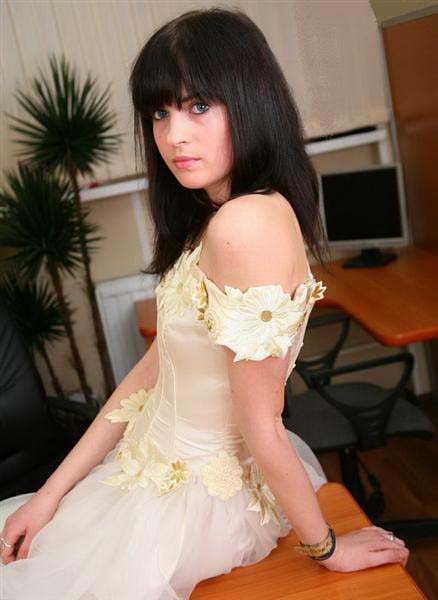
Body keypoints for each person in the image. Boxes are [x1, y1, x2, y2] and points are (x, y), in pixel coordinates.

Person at [0, 7, 409, 599]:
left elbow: (262, 422)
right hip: (144, 475)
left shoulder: (244, 224)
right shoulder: (217, 215)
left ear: (250, 101)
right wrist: (52, 494)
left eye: (198, 106)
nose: (174, 136)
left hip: (186, 508)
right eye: (159, 113)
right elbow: (153, 370)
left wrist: (327, 547)